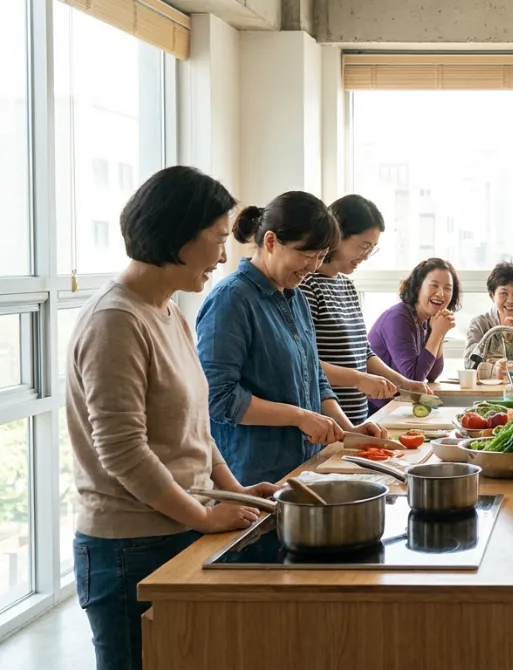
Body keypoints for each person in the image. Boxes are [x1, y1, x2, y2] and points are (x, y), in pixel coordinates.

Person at [67, 166, 276, 670]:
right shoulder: (115, 320)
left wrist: (234, 491)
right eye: (218, 239)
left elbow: (195, 426)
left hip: (177, 526)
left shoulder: (168, 312)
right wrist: (202, 516)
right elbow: (122, 450)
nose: (223, 256)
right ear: (178, 235)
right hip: (129, 545)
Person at [197, 191, 387, 486]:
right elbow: (218, 398)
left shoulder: (295, 297)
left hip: (303, 466)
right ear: (271, 242)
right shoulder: (231, 299)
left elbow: (315, 377)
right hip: (253, 475)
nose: (313, 267)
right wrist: (299, 416)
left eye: (321, 257)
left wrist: (348, 431)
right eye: (307, 255)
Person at [299, 195, 430, 424]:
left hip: (356, 419)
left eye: (372, 248)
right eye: (363, 246)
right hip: (324, 422)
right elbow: (302, 361)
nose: (366, 256)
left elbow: (364, 352)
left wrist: (402, 383)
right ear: (336, 234)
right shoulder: (306, 286)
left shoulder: (347, 286)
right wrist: (359, 379)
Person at [368, 258, 461, 398]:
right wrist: (437, 333)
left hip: (399, 402)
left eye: (447, 288)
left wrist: (440, 333)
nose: (441, 293)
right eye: (434, 285)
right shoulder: (398, 317)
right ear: (418, 287)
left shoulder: (428, 318)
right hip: (378, 406)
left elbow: (433, 374)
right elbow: (413, 378)